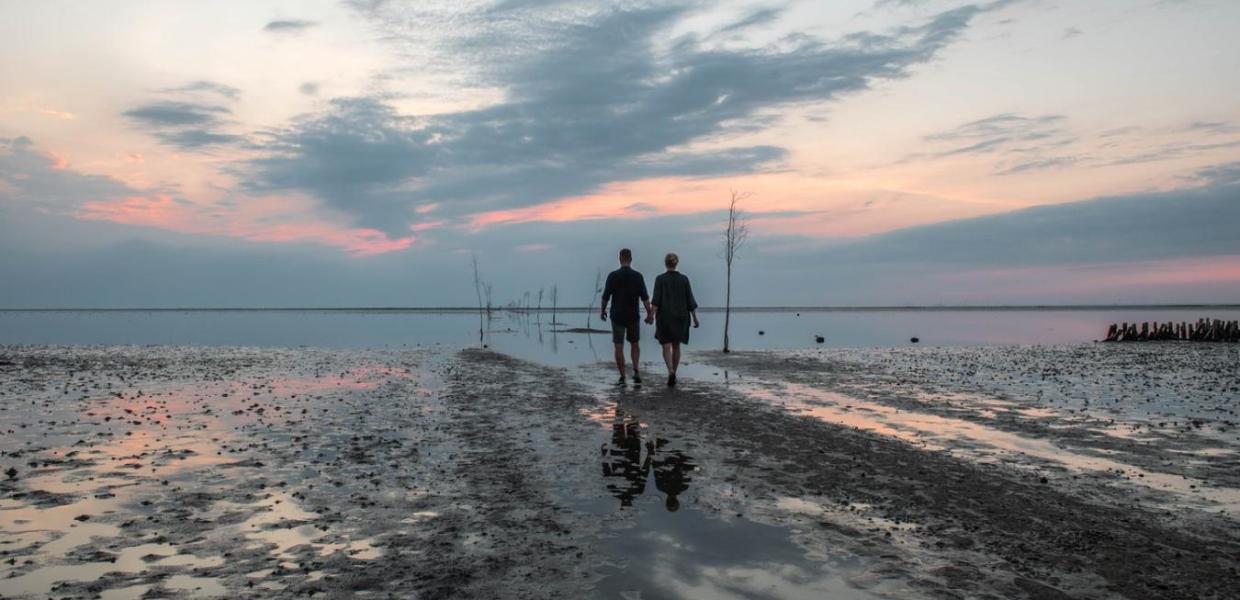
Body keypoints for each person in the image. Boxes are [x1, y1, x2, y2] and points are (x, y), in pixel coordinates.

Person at [600, 248, 653, 386]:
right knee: (634, 344)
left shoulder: (613, 276)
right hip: (633, 316)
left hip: (617, 315)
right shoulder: (638, 276)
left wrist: (602, 310)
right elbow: (645, 298)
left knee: (618, 346)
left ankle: (623, 376)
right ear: (630, 259)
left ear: (620, 259)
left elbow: (605, 297)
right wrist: (650, 314)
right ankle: (635, 371)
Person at [649, 252, 699, 387]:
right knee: (676, 345)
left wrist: (651, 316)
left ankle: (670, 371)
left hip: (665, 317)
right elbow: (690, 301)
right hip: (681, 317)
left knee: (666, 345)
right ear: (676, 264)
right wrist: (695, 318)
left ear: (666, 264)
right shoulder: (684, 279)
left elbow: (656, 301)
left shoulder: (660, 279)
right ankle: (674, 373)